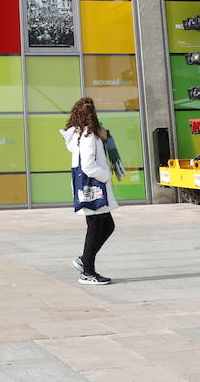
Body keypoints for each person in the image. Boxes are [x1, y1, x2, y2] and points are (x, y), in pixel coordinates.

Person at [61, 97, 118, 285]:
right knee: (95, 229)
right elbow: (88, 166)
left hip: (89, 188)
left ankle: (84, 260)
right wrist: (106, 174)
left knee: (107, 226)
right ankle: (87, 271)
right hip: (93, 188)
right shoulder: (88, 137)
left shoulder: (81, 135)